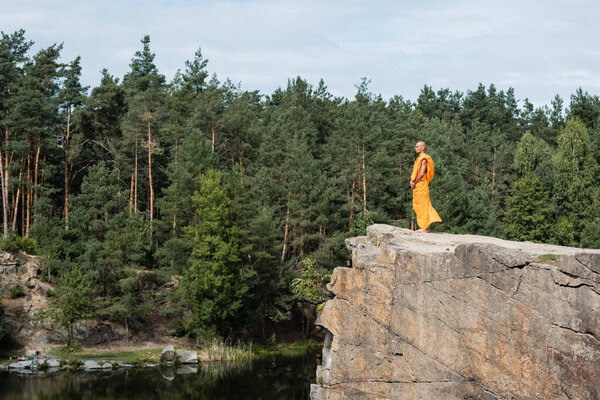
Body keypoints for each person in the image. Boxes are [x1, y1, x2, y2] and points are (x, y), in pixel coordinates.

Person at [410, 141, 441, 232]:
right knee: (417, 206)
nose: (415, 148)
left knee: (423, 205)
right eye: (415, 146)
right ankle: (422, 226)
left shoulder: (424, 159)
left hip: (421, 185)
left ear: (423, 148)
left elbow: (421, 173)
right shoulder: (419, 158)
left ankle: (424, 227)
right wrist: (412, 180)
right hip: (417, 186)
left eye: (417, 147)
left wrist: (414, 182)